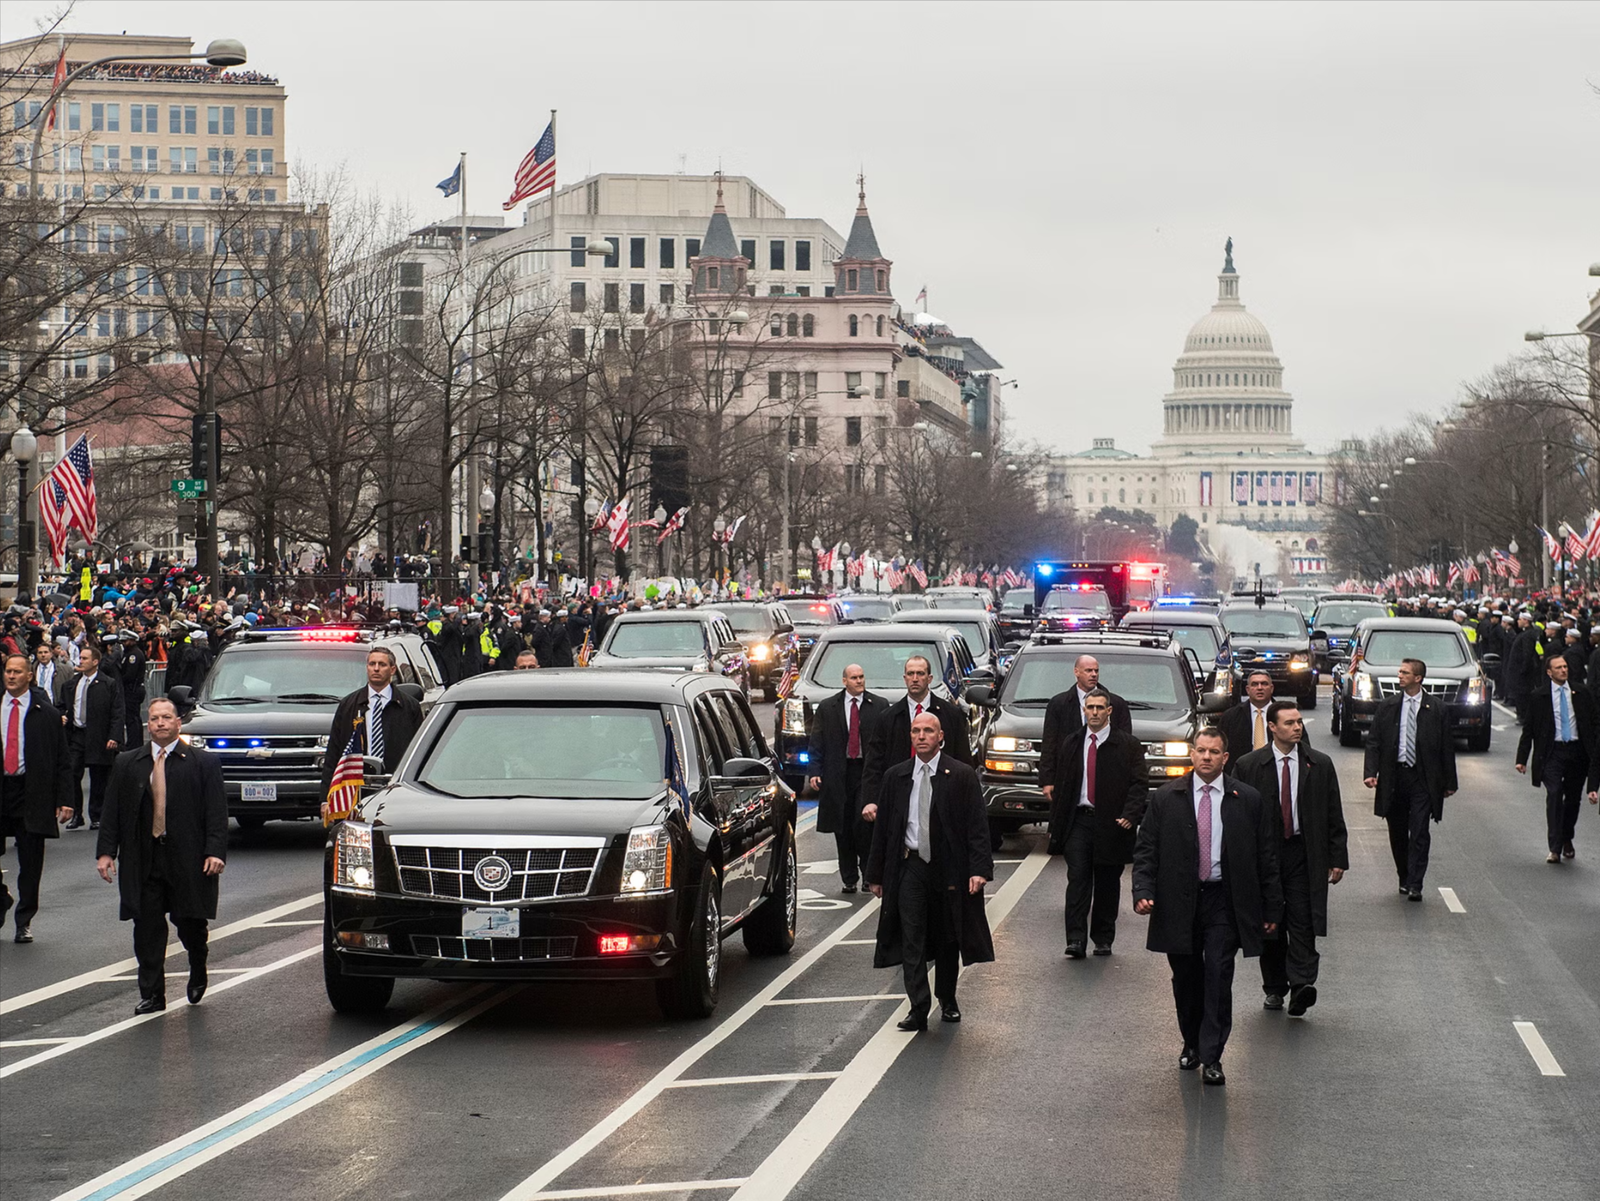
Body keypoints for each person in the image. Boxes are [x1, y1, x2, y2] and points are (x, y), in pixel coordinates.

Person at [1133, 728, 1281, 1086]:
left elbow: (1266, 856)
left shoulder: (1246, 799)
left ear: (1225, 757)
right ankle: (1191, 1043)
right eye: (1200, 750)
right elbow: (1146, 849)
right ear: (1191, 753)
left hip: (1223, 901)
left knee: (1218, 974)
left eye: (1214, 752)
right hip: (1178, 900)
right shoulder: (1168, 797)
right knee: (1186, 978)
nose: (1206, 757)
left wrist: (1271, 909)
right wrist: (1143, 890)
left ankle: (1213, 1055)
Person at [95, 699, 227, 1014]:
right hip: (145, 858)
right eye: (154, 719)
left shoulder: (202, 763)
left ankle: (198, 964)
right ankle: (153, 993)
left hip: (188, 857)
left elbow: (216, 813)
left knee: (189, 922)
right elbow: (111, 811)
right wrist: (105, 853)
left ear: (178, 723)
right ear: (148, 724)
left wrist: (215, 852)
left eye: (166, 717)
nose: (160, 723)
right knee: (147, 928)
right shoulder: (129, 763)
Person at [865, 712, 994, 1032]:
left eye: (928, 731)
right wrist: (876, 874)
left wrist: (979, 870)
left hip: (948, 867)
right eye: (916, 731)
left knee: (948, 935)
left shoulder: (961, 775)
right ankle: (918, 1007)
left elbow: (977, 827)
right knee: (912, 936)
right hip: (910, 866)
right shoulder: (896, 777)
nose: (921, 736)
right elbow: (883, 830)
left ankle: (947, 999)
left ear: (941, 737)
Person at [1232, 702, 1348, 1016]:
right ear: (1272, 727)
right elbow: (1235, 816)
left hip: (1303, 853)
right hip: (1265, 856)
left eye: (1299, 722)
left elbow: (1332, 811)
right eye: (1289, 723)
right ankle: (1274, 987)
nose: (1296, 728)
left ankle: (1301, 985)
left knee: (1303, 918)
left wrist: (1337, 857)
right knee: (1271, 921)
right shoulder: (1249, 765)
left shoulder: (1318, 763)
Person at [1045, 686, 1147, 957]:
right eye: (1090, 707)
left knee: (1107, 882)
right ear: (1084, 710)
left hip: (1112, 823)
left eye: (1100, 708)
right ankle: (1075, 939)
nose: (1094, 712)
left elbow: (1139, 784)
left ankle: (1103, 938)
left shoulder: (1127, 745)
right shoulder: (1073, 742)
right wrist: (1057, 825)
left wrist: (1130, 815)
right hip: (1079, 820)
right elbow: (1064, 785)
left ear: (1109, 711)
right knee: (1077, 878)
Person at [1363, 658, 1456, 900]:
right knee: (1397, 830)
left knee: (1420, 831)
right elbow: (1374, 741)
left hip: (1423, 779)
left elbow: (1447, 747)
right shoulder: (1388, 706)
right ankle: (1403, 875)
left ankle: (1416, 883)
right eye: (1399, 672)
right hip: (1395, 777)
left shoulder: (1436, 708)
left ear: (1418, 678)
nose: (1400, 676)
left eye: (1405, 673)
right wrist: (1371, 772)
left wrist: (1449, 782)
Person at [0, 654, 74, 943]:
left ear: (29, 676)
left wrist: (66, 799)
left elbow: (62, 760)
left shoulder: (46, 712)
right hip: (2, 789)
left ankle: (24, 920)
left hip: (32, 793)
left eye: (18, 672)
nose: (11, 676)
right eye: (8, 671)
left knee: (31, 862)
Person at [809, 663, 889, 894]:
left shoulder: (879, 705)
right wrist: (815, 771)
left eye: (862, 677)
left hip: (867, 773)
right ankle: (849, 878)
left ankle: (868, 874)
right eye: (854, 677)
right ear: (844, 680)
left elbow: (884, 742)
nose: (859, 681)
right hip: (838, 775)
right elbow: (817, 742)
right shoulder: (828, 707)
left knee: (864, 825)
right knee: (842, 828)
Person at [1515, 653, 1600, 863]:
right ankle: (1554, 847)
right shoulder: (1539, 696)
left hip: (1577, 752)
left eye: (1565, 667)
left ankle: (1566, 838)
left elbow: (1595, 721)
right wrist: (1521, 758)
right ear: (1549, 672)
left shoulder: (1581, 692)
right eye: (1559, 668)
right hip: (1552, 753)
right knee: (1554, 794)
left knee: (1572, 800)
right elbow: (1529, 729)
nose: (1564, 670)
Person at [859, 655, 971, 812]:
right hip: (899, 797)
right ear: (904, 678)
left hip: (942, 796)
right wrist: (871, 800)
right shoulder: (888, 718)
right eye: (910, 674)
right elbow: (874, 764)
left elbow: (963, 759)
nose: (915, 679)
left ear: (930, 678)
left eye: (920, 673)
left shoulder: (951, 715)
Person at [319, 647, 425, 804]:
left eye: (382, 664)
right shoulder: (349, 705)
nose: (376, 669)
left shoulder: (409, 707)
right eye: (372, 664)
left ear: (392, 669)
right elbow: (333, 753)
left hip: (395, 788)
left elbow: (420, 753)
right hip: (355, 787)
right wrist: (326, 798)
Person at [1038, 656, 1132, 796]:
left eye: (1096, 671)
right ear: (1076, 672)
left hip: (1107, 777)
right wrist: (1047, 781)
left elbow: (1126, 746)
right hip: (1068, 777)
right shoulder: (1059, 704)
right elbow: (1049, 745)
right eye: (1088, 670)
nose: (1094, 674)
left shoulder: (1117, 704)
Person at [61, 644, 125, 829]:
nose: (80, 661)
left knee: (98, 777)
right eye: (80, 658)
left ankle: (96, 815)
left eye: (85, 658)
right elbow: (62, 705)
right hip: (77, 735)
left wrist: (114, 737)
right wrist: (62, 716)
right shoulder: (72, 684)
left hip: (99, 735)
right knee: (72, 772)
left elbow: (117, 712)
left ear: (95, 662)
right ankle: (75, 813)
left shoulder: (108, 684)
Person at [1218, 669, 1279, 756]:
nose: (1259, 688)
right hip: (1242, 767)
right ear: (1248, 690)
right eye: (1254, 684)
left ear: (1271, 688)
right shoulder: (1231, 717)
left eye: (1264, 684)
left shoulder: (1286, 714)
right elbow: (1219, 747)